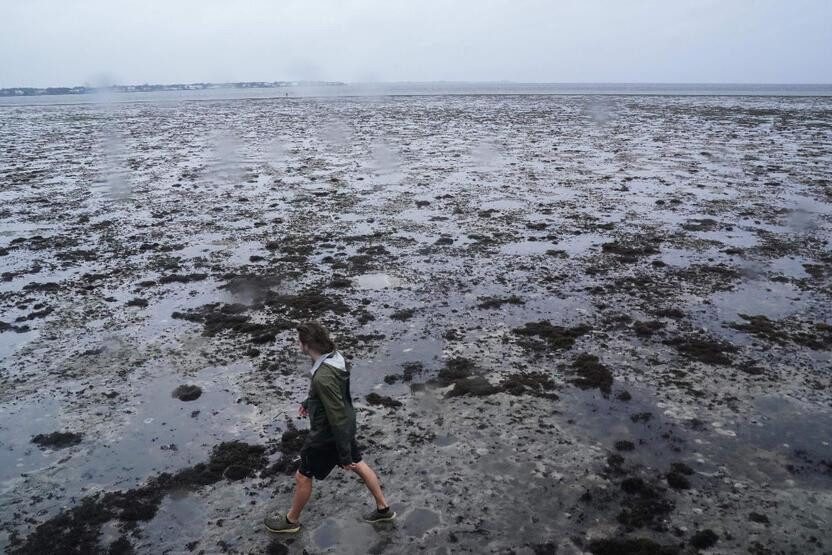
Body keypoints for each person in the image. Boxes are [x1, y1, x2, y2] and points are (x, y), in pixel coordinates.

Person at [264, 321, 396, 533]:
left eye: (299, 341)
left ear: (306, 344)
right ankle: (383, 509)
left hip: (328, 434)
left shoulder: (323, 377)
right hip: (344, 427)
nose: (296, 343)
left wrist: (343, 455)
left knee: (303, 475)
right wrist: (310, 402)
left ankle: (291, 522)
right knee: (360, 464)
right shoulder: (336, 358)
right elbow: (334, 394)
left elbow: (335, 415)